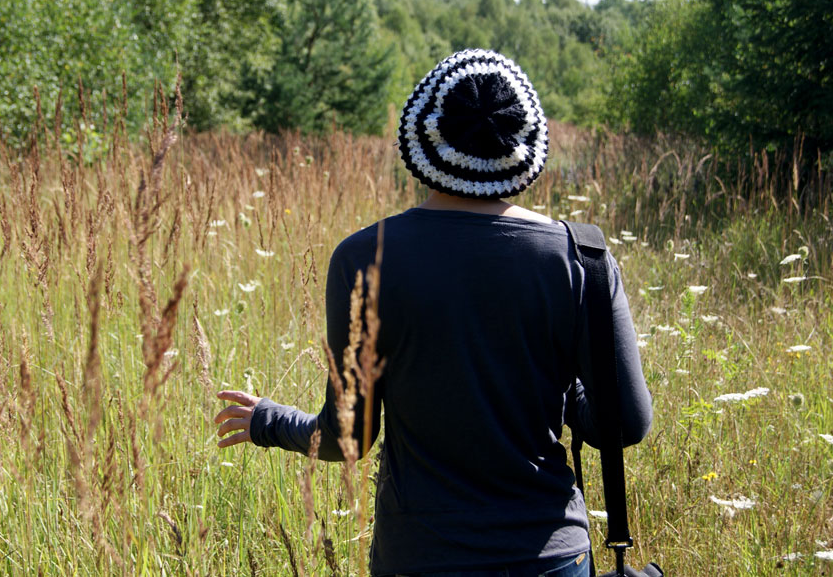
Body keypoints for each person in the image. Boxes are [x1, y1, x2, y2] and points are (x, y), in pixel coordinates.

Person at [214, 49, 653, 577]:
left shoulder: (363, 258)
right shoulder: (584, 259)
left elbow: (345, 439)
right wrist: (561, 389)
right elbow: (624, 423)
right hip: (549, 556)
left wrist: (269, 420)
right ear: (521, 147)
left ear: (427, 141)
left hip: (420, 556)